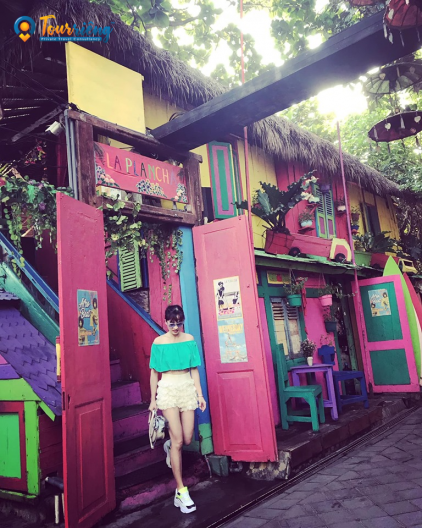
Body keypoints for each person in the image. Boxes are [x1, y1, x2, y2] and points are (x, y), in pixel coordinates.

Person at [149, 305, 206, 514]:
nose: (175, 327)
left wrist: (200, 395)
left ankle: (169, 446)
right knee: (178, 441)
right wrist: (153, 400)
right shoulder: (158, 342)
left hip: (186, 387)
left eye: (179, 323)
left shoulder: (189, 339)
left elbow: (194, 370)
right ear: (166, 322)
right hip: (168, 388)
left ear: (183, 321)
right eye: (172, 323)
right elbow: (154, 373)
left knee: (187, 439)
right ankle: (181, 491)